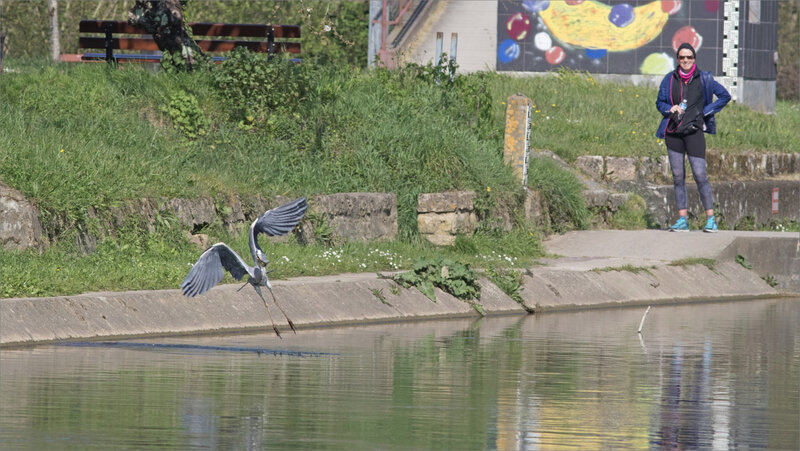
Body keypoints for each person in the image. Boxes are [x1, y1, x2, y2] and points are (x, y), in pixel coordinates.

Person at [655, 43, 730, 232]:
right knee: (678, 176)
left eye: (689, 57)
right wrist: (668, 108)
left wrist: (705, 112)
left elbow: (724, 96)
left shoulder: (704, 79)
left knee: (699, 174)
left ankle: (711, 219)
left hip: (694, 132)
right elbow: (660, 101)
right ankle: (682, 220)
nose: (685, 60)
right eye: (682, 58)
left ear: (694, 59)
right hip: (674, 133)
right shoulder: (669, 79)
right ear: (677, 59)